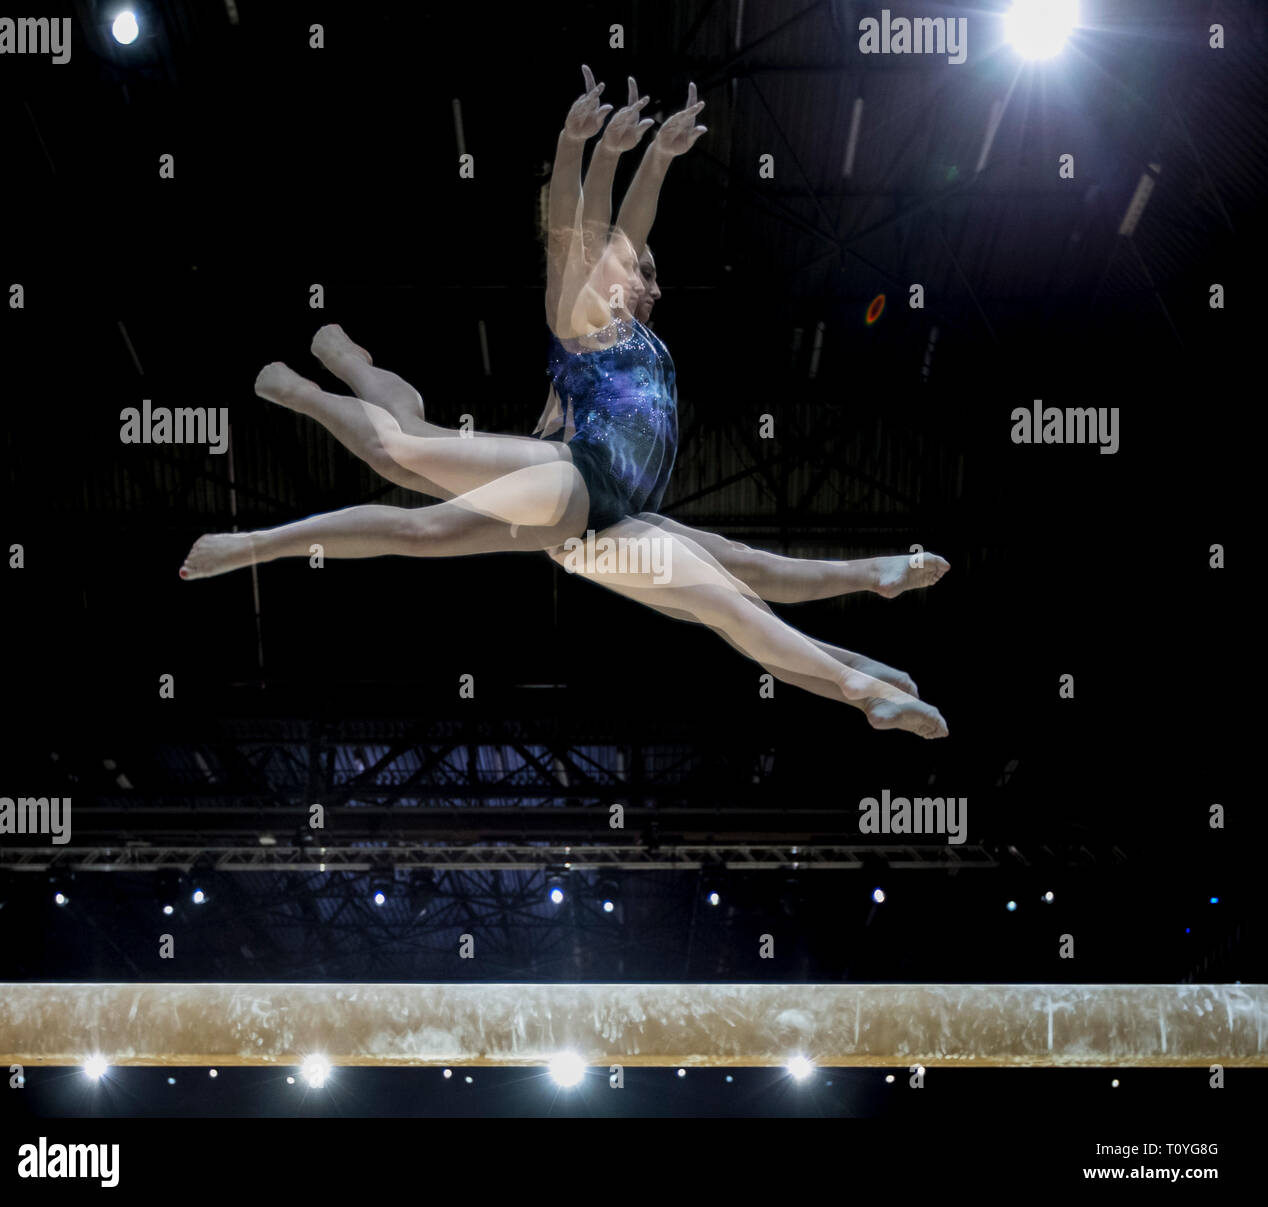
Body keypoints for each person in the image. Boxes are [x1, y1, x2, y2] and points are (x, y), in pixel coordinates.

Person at [180, 67, 950, 738]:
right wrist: (601, 148)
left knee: (733, 588)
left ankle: (864, 640)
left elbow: (618, 229)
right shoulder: (577, 317)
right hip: (575, 481)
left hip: (607, 523)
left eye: (646, 266)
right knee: (405, 456)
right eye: (633, 262)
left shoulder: (639, 336)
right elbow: (580, 229)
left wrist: (653, 154)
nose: (646, 273)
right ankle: (279, 481)